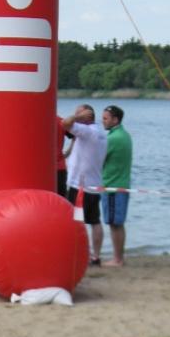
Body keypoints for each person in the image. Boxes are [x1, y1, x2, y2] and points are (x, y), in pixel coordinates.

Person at [63, 104, 107, 266]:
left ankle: (79, 256)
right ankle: (95, 256)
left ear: (87, 116)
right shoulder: (100, 133)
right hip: (94, 185)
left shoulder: (87, 131)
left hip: (79, 186)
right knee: (94, 221)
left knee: (76, 223)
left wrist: (77, 118)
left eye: (79, 114)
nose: (75, 116)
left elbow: (65, 123)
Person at [101, 105, 133, 267]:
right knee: (117, 223)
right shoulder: (124, 135)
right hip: (121, 184)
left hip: (113, 185)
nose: (103, 121)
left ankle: (117, 259)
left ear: (115, 120)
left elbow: (98, 159)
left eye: (105, 118)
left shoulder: (113, 138)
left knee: (115, 224)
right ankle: (119, 257)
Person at [55, 115, 74, 199]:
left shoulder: (35, 120)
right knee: (61, 200)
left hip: (42, 171)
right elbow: (76, 136)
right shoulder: (61, 121)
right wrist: (69, 152)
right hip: (60, 168)